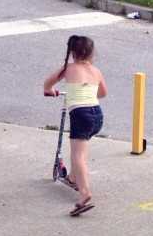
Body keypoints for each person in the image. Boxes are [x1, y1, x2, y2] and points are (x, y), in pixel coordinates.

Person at [43, 35, 107, 217]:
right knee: (82, 149)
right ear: (92, 52)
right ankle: (72, 177)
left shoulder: (68, 68)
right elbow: (102, 93)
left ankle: (84, 193)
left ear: (72, 53)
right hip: (97, 115)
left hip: (81, 114)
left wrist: (51, 92)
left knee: (78, 156)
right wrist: (86, 89)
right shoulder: (96, 70)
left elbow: (47, 85)